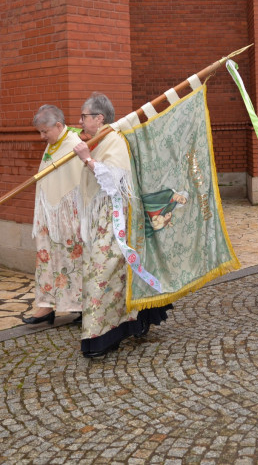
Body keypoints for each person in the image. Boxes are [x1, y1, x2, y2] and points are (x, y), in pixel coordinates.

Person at [71, 93, 172, 358]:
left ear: (99, 118)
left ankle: (102, 336)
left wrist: (87, 159)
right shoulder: (98, 139)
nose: (80, 121)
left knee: (102, 275)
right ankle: (120, 328)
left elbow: (115, 181)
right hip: (101, 219)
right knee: (110, 275)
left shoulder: (113, 140)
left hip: (116, 219)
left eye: (84, 116)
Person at [25, 104, 85, 325]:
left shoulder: (74, 144)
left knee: (72, 259)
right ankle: (45, 306)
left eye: (44, 131)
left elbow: (80, 182)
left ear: (58, 125)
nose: (42, 136)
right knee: (45, 258)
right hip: (48, 214)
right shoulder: (53, 143)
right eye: (40, 132)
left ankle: (79, 306)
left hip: (68, 215)